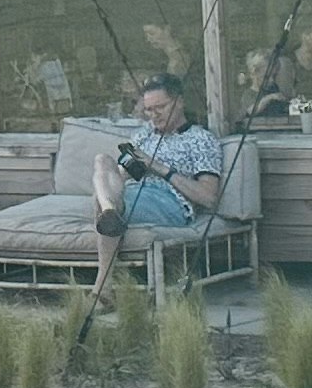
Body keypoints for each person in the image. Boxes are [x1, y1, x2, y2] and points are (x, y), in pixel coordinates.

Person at [91, 72, 226, 264]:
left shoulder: (201, 139)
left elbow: (208, 197)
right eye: (148, 110)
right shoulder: (143, 136)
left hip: (169, 202)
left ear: (179, 102)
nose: (154, 115)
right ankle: (110, 211)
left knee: (101, 202)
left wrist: (158, 167)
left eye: (160, 107)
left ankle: (102, 285)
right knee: (102, 160)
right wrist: (127, 170)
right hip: (132, 192)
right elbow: (119, 178)